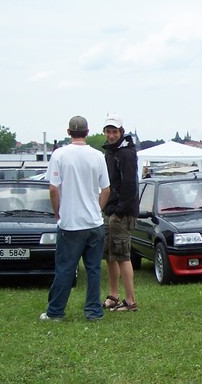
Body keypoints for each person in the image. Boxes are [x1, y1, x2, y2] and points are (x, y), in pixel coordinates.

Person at [40, 115, 110, 321]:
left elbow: (53, 189)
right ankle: (93, 311)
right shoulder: (98, 156)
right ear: (87, 133)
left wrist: (58, 212)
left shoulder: (59, 155)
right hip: (94, 223)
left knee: (65, 269)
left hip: (70, 224)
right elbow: (106, 189)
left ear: (69, 132)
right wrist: (97, 209)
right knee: (94, 269)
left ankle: (55, 311)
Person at [101, 115, 139, 312]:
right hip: (109, 210)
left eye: (114, 131)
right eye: (108, 131)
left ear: (121, 132)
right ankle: (114, 295)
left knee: (123, 255)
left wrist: (119, 211)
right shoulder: (110, 153)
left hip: (122, 213)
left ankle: (130, 301)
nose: (111, 135)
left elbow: (130, 185)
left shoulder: (126, 154)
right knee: (110, 255)